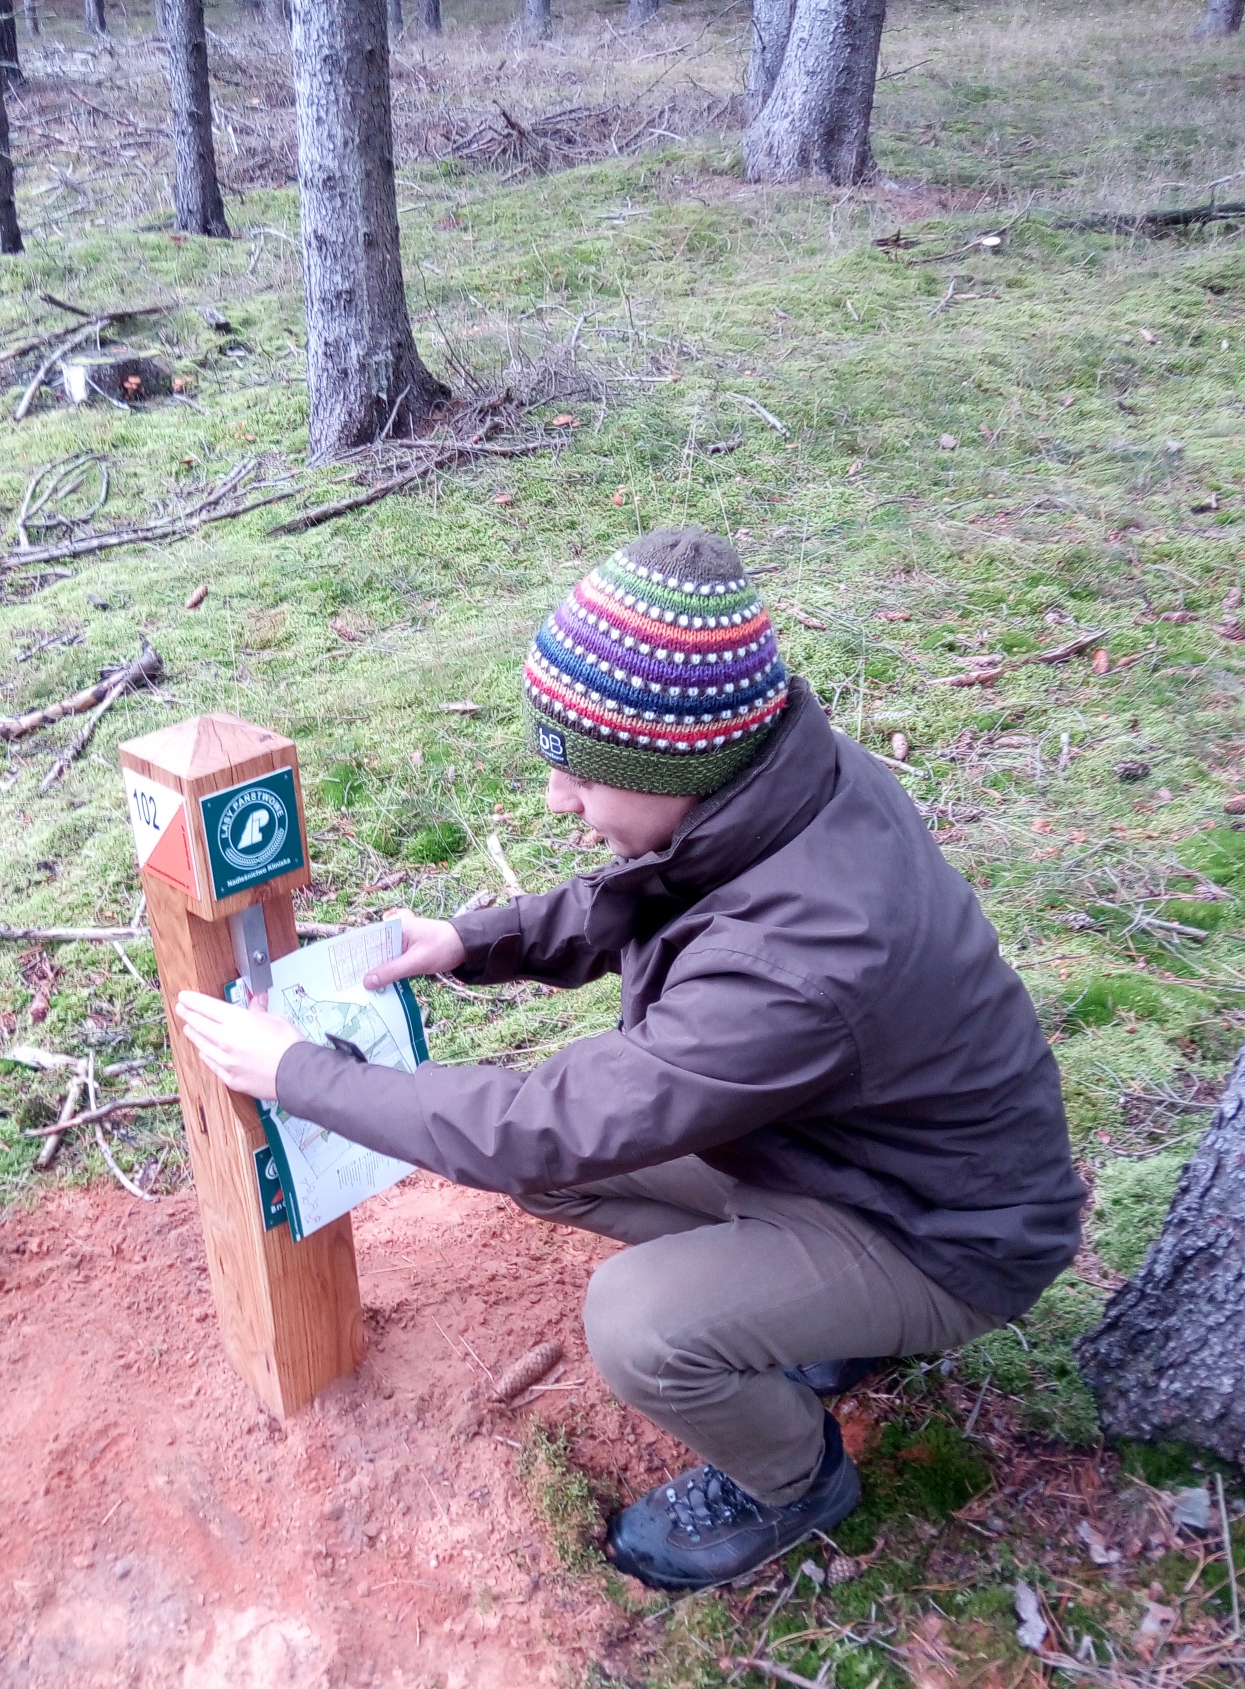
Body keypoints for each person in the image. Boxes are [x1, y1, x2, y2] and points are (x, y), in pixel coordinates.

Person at [177, 526, 1084, 1591]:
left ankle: (795, 1481)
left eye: (580, 776)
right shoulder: (785, 788)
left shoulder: (806, 955)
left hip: (944, 1236)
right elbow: (670, 879)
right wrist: (480, 938)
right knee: (572, 1171)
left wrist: (302, 1076)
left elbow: (541, 1123)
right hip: (857, 1162)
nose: (560, 800)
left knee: (638, 1321)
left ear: (672, 764)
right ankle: (804, 1316)